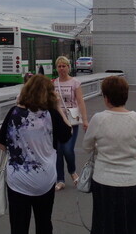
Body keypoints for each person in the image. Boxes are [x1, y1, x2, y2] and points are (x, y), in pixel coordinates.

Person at [0, 73, 72, 234]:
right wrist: (58, 107)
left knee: (18, 225)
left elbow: (1, 144)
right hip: (44, 179)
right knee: (44, 222)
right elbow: (67, 134)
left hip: (17, 180)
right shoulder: (51, 114)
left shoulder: (13, 113)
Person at [82, 76, 136, 234]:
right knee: (132, 225)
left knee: (105, 225)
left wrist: (99, 147)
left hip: (103, 181)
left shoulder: (98, 119)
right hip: (131, 180)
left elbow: (86, 147)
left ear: (106, 97)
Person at [53, 55, 89, 190]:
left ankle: (73, 172)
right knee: (58, 152)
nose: (62, 68)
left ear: (69, 67)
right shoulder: (53, 83)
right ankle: (60, 179)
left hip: (72, 121)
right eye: (59, 66)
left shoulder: (75, 83)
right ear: (56, 68)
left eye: (64, 66)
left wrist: (85, 120)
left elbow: (80, 102)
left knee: (68, 149)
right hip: (58, 121)